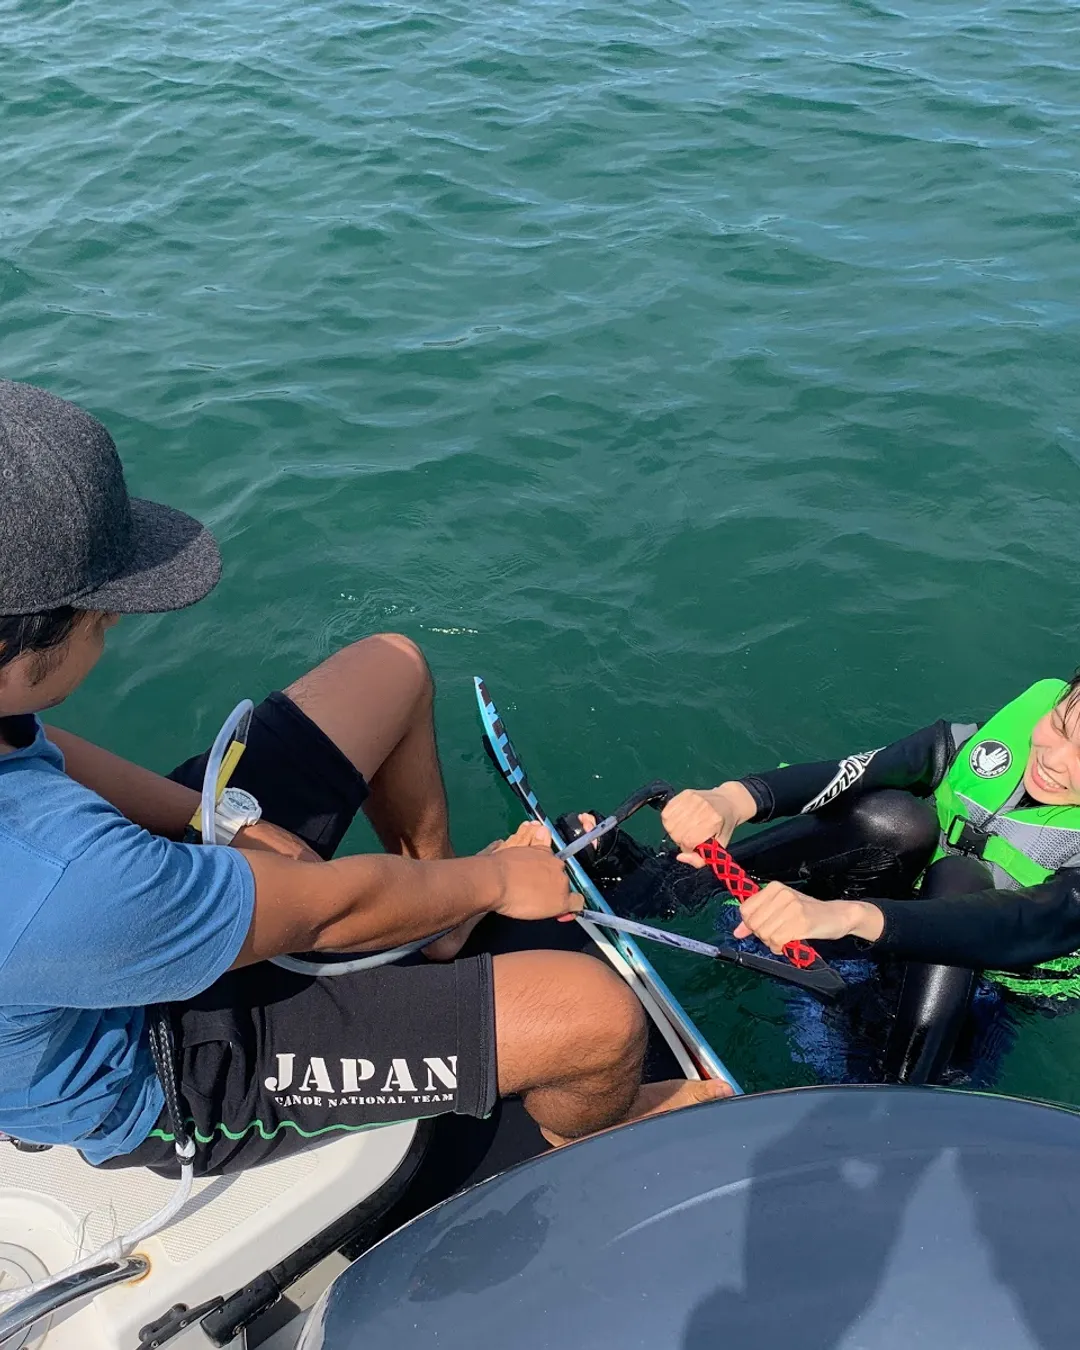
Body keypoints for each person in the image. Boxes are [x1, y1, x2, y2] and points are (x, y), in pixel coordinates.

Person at [0, 380, 727, 1175]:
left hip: (112, 918)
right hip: (147, 1061)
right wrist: (494, 883)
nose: (114, 622)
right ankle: (582, 1137)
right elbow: (323, 912)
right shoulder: (63, 877)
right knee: (596, 1020)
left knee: (391, 669)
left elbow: (44, 742)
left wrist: (220, 821)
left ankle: (438, 923)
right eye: (100, 612)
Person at [660, 678, 1080, 1002]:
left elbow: (1024, 923)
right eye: (1059, 725)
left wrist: (852, 917)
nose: (1053, 760)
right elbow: (866, 769)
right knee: (896, 818)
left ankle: (901, 1081)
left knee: (960, 876)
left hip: (985, 981)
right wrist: (735, 799)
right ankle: (680, 884)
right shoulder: (1002, 740)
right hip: (887, 913)